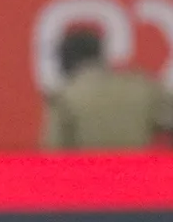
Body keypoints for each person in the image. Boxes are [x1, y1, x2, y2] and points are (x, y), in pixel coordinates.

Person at [41, 27, 173, 150]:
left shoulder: (65, 98)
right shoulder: (141, 88)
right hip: (136, 166)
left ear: (66, 61)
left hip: (89, 167)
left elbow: (53, 150)